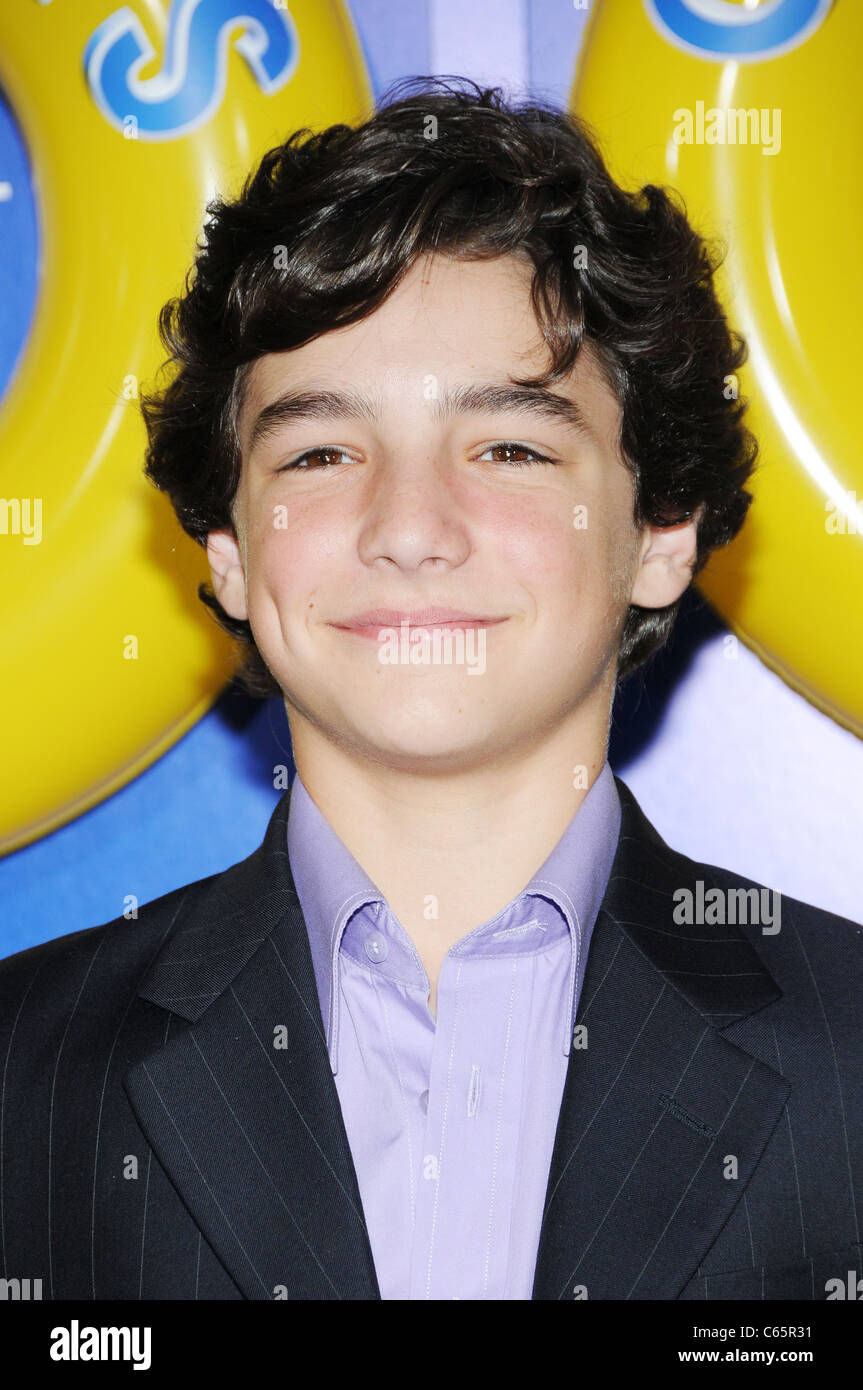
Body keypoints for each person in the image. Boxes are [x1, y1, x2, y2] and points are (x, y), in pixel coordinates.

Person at [1, 77, 861, 1303]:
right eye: (320, 451)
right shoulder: (23, 1071)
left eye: (508, 447)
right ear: (230, 550)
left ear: (661, 529)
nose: (407, 528)